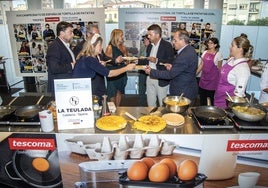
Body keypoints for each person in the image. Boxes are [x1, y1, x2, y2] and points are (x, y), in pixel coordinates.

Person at [72, 34, 136, 99]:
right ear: (92, 46)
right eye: (99, 45)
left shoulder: (89, 58)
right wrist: (127, 68)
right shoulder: (89, 59)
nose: (101, 48)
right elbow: (110, 73)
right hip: (87, 94)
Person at [145, 29, 198, 103]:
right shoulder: (189, 50)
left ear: (182, 40)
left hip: (183, 92)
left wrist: (151, 71)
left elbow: (170, 75)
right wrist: (172, 67)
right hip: (186, 88)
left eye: (175, 40)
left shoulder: (185, 55)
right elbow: (183, 69)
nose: (173, 42)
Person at [73, 24, 111, 103]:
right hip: (89, 88)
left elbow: (103, 58)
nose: (101, 47)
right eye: (95, 35)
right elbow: (109, 73)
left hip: (98, 85)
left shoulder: (91, 54)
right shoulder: (83, 53)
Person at [214, 36, 251, 108]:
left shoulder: (243, 68)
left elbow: (239, 95)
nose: (230, 47)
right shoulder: (231, 60)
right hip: (218, 99)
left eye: (232, 45)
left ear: (240, 49)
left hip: (227, 106)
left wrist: (231, 109)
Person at [144, 24, 174, 107]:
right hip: (149, 77)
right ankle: (151, 119)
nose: (148, 37)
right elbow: (148, 59)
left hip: (161, 78)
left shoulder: (167, 45)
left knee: (162, 103)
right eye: (148, 34)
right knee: (150, 103)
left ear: (157, 35)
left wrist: (157, 60)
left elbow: (171, 61)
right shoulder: (150, 46)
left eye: (150, 34)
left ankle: (163, 119)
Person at [46, 21, 76, 94]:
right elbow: (54, 68)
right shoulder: (55, 46)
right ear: (62, 33)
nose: (73, 35)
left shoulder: (64, 45)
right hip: (60, 88)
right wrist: (71, 66)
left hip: (65, 86)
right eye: (70, 32)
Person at [196, 37, 223, 105]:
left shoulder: (218, 54)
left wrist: (220, 82)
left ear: (215, 45)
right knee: (202, 99)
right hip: (203, 79)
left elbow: (220, 69)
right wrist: (195, 73)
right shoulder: (205, 52)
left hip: (212, 81)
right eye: (208, 43)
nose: (209, 44)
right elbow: (201, 65)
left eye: (211, 43)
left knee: (211, 99)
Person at [105, 29, 128, 106]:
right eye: (121, 35)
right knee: (112, 93)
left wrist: (127, 61)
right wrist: (116, 62)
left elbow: (127, 60)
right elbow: (106, 63)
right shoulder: (109, 48)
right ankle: (113, 111)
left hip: (122, 73)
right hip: (113, 74)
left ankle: (118, 109)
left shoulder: (123, 48)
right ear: (116, 36)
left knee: (119, 92)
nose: (123, 37)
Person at [137, 34, 150, 106]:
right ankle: (141, 105)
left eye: (145, 39)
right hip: (142, 72)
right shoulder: (142, 47)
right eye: (143, 39)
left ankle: (151, 106)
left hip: (151, 73)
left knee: (151, 91)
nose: (144, 41)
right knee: (141, 90)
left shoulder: (153, 48)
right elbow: (138, 58)